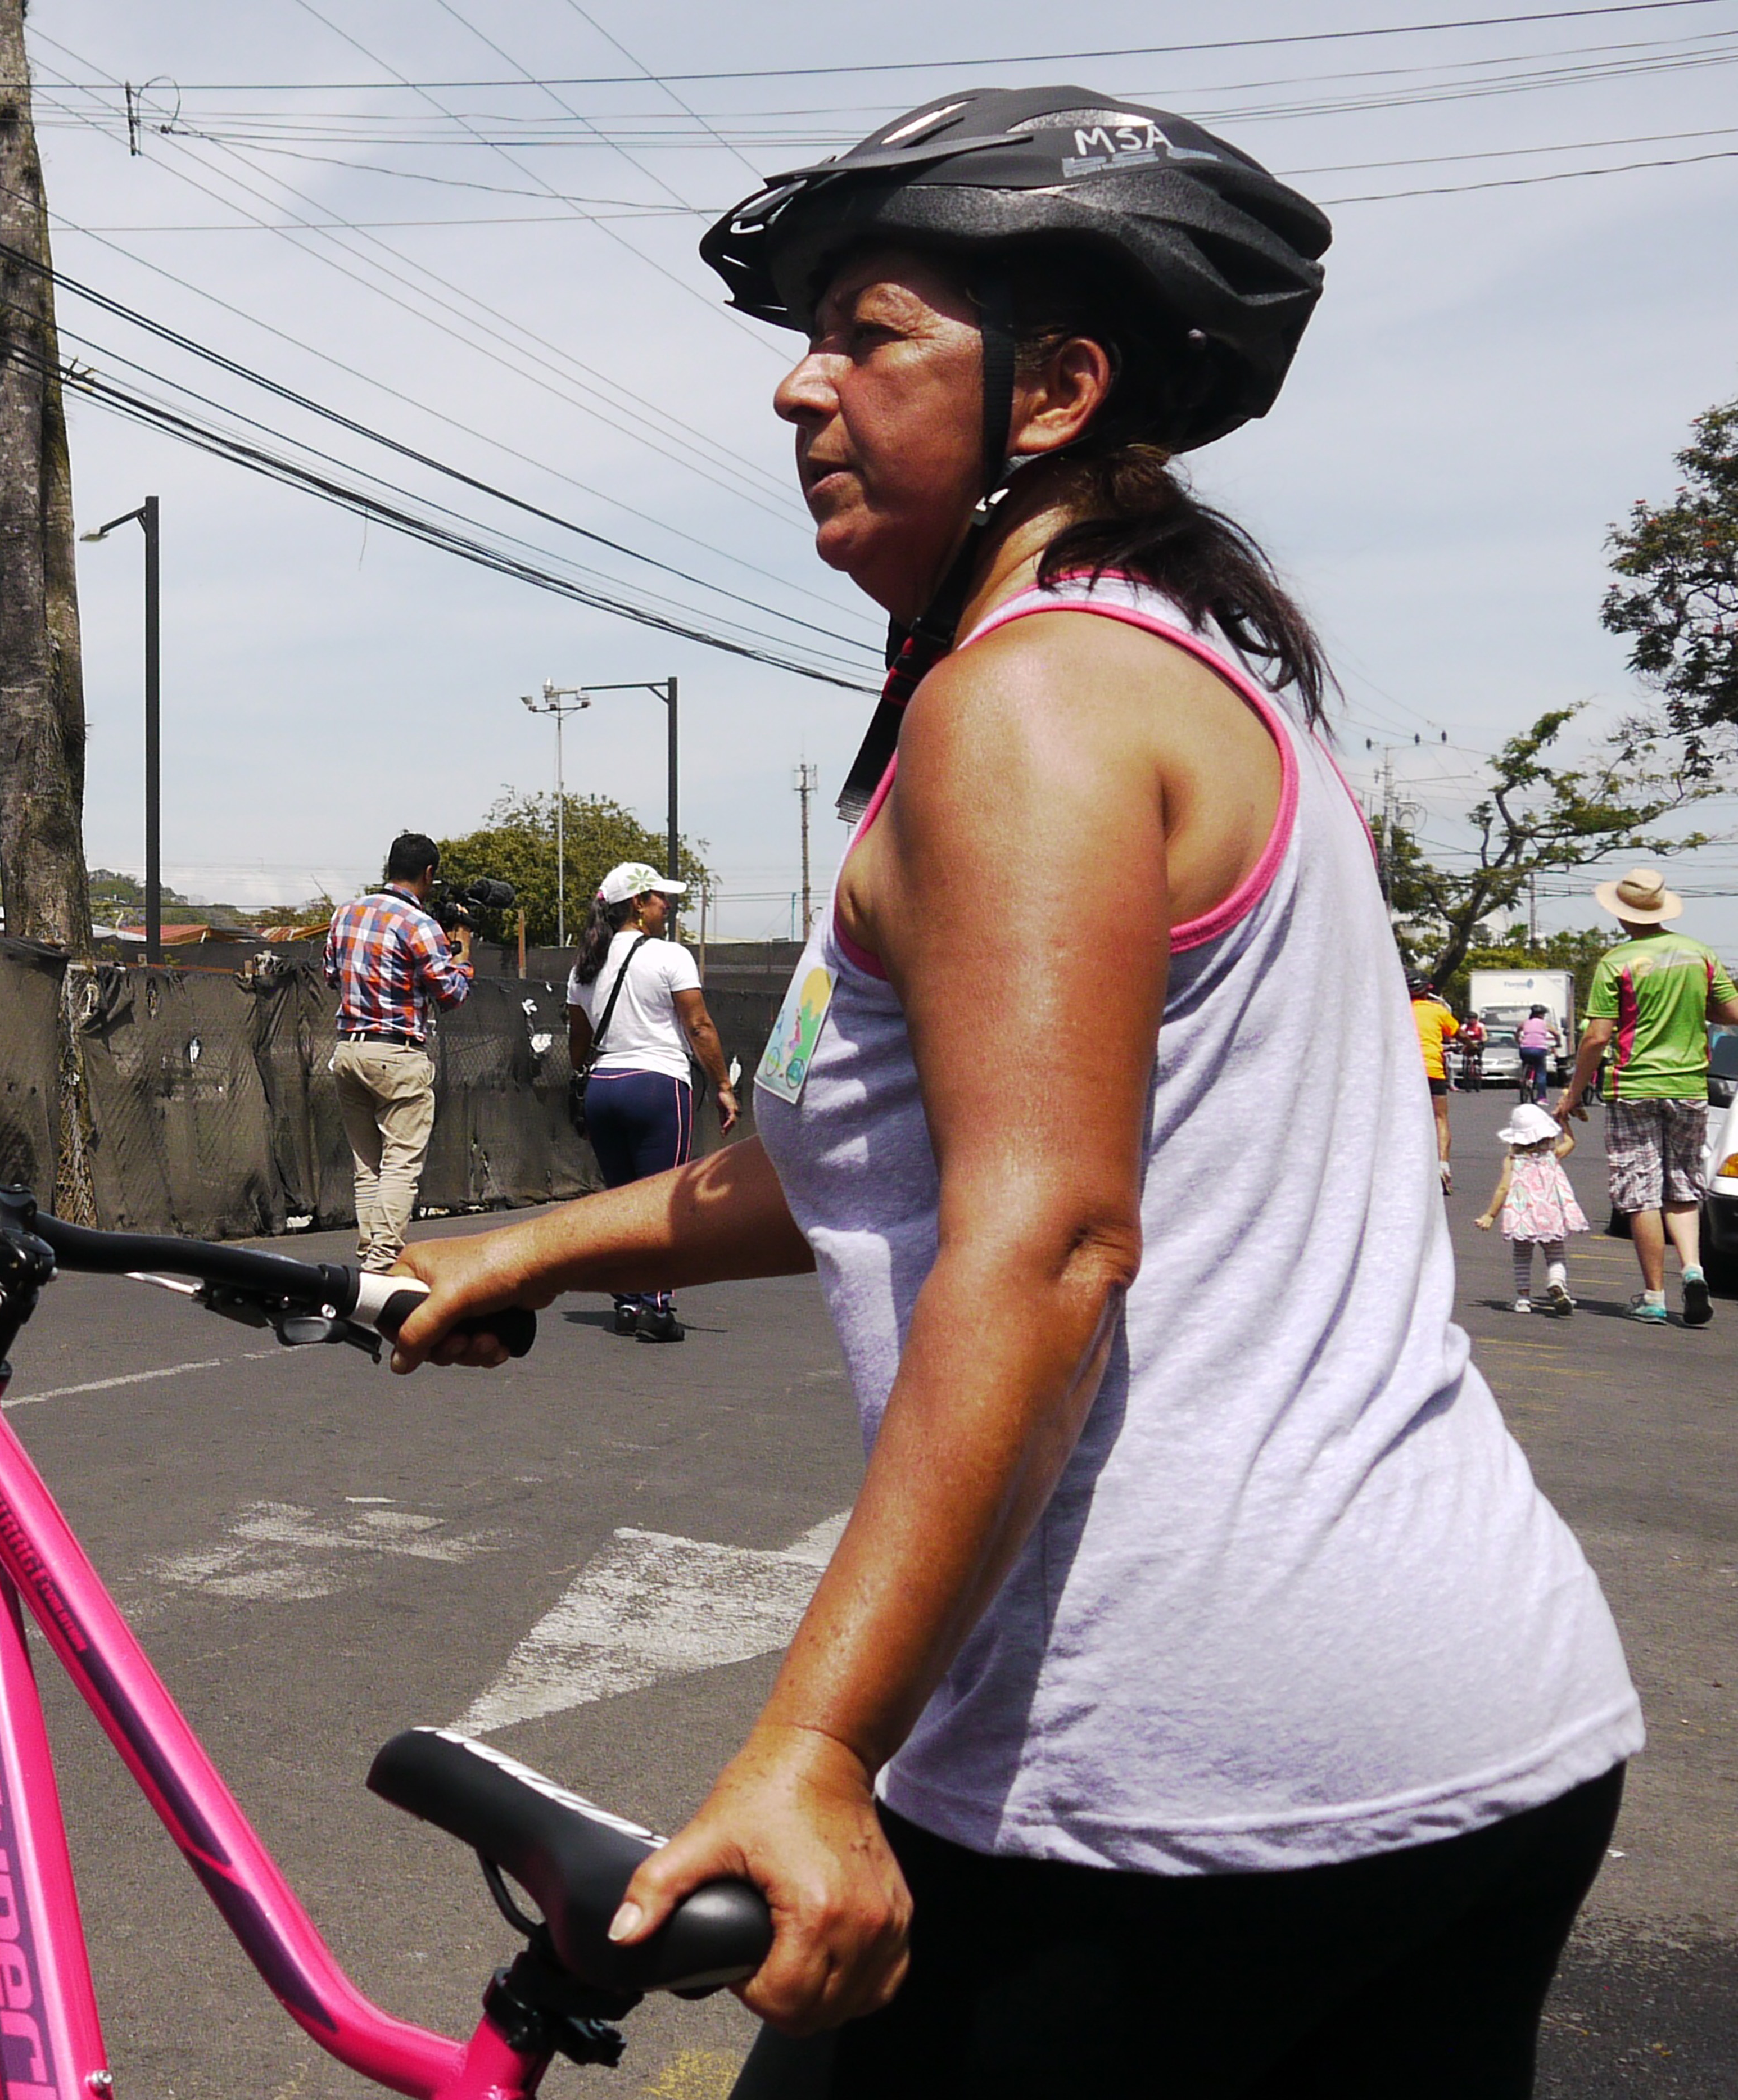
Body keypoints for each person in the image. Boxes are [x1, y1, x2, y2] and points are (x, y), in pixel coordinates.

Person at [384, 87, 1636, 2095]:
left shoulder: (1026, 703)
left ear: (1050, 385)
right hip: (1489, 1735)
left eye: (866, 332)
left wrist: (811, 1750)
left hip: (1172, 1774)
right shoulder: (1188, 674)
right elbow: (870, 1163)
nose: (800, 386)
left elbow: (1044, 1233)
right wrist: (530, 1246)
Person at [1554, 866, 1738, 1328]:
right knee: (1682, 1186)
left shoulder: (1618, 962)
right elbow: (1732, 1013)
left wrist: (1573, 1093)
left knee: (1641, 1194)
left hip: (1633, 1086)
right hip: (1690, 1086)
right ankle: (1693, 1269)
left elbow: (1597, 1037)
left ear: (1621, 914)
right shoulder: (1700, 955)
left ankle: (1654, 1295)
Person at [567, 861, 740, 1343]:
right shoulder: (670, 957)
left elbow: (577, 1041)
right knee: (664, 1198)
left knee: (621, 1199)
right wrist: (723, 1085)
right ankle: (656, 1307)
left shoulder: (584, 964)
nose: (668, 904)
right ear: (639, 904)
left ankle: (626, 1301)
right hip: (658, 1085)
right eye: (661, 897)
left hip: (605, 1086)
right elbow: (699, 1026)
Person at [325, 832, 474, 1274]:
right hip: (398, 1053)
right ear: (429, 874)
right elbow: (450, 995)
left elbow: (333, 975)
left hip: (349, 1051)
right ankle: (382, 1259)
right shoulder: (419, 925)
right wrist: (463, 951)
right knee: (400, 1163)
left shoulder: (345, 914)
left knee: (367, 1164)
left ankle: (370, 1250)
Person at [1476, 1103, 1585, 1317]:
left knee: (1522, 1257)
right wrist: (1563, 1122)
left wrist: (1490, 1215)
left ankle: (1523, 1299)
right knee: (1555, 1255)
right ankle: (1557, 1284)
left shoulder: (1513, 1160)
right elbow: (1571, 1142)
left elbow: (1504, 1187)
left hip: (1523, 1215)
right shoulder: (1552, 1155)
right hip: (1551, 1214)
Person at [1409, 976, 1459, 1190]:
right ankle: (1442, 1166)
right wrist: (1471, 1046)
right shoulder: (1437, 1010)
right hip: (1432, 1070)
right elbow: (1460, 1034)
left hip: (1406, 1073)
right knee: (1440, 1117)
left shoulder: (1397, 1009)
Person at [1515, 1004, 1559, 1106]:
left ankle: (1525, 1078)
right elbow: (1556, 1034)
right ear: (1542, 1015)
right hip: (1539, 1049)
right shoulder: (1545, 1024)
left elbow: (1517, 1032)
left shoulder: (1525, 1023)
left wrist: (1519, 1040)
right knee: (1541, 1073)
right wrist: (1558, 1043)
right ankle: (1541, 1098)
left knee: (1526, 1062)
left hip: (1525, 1048)